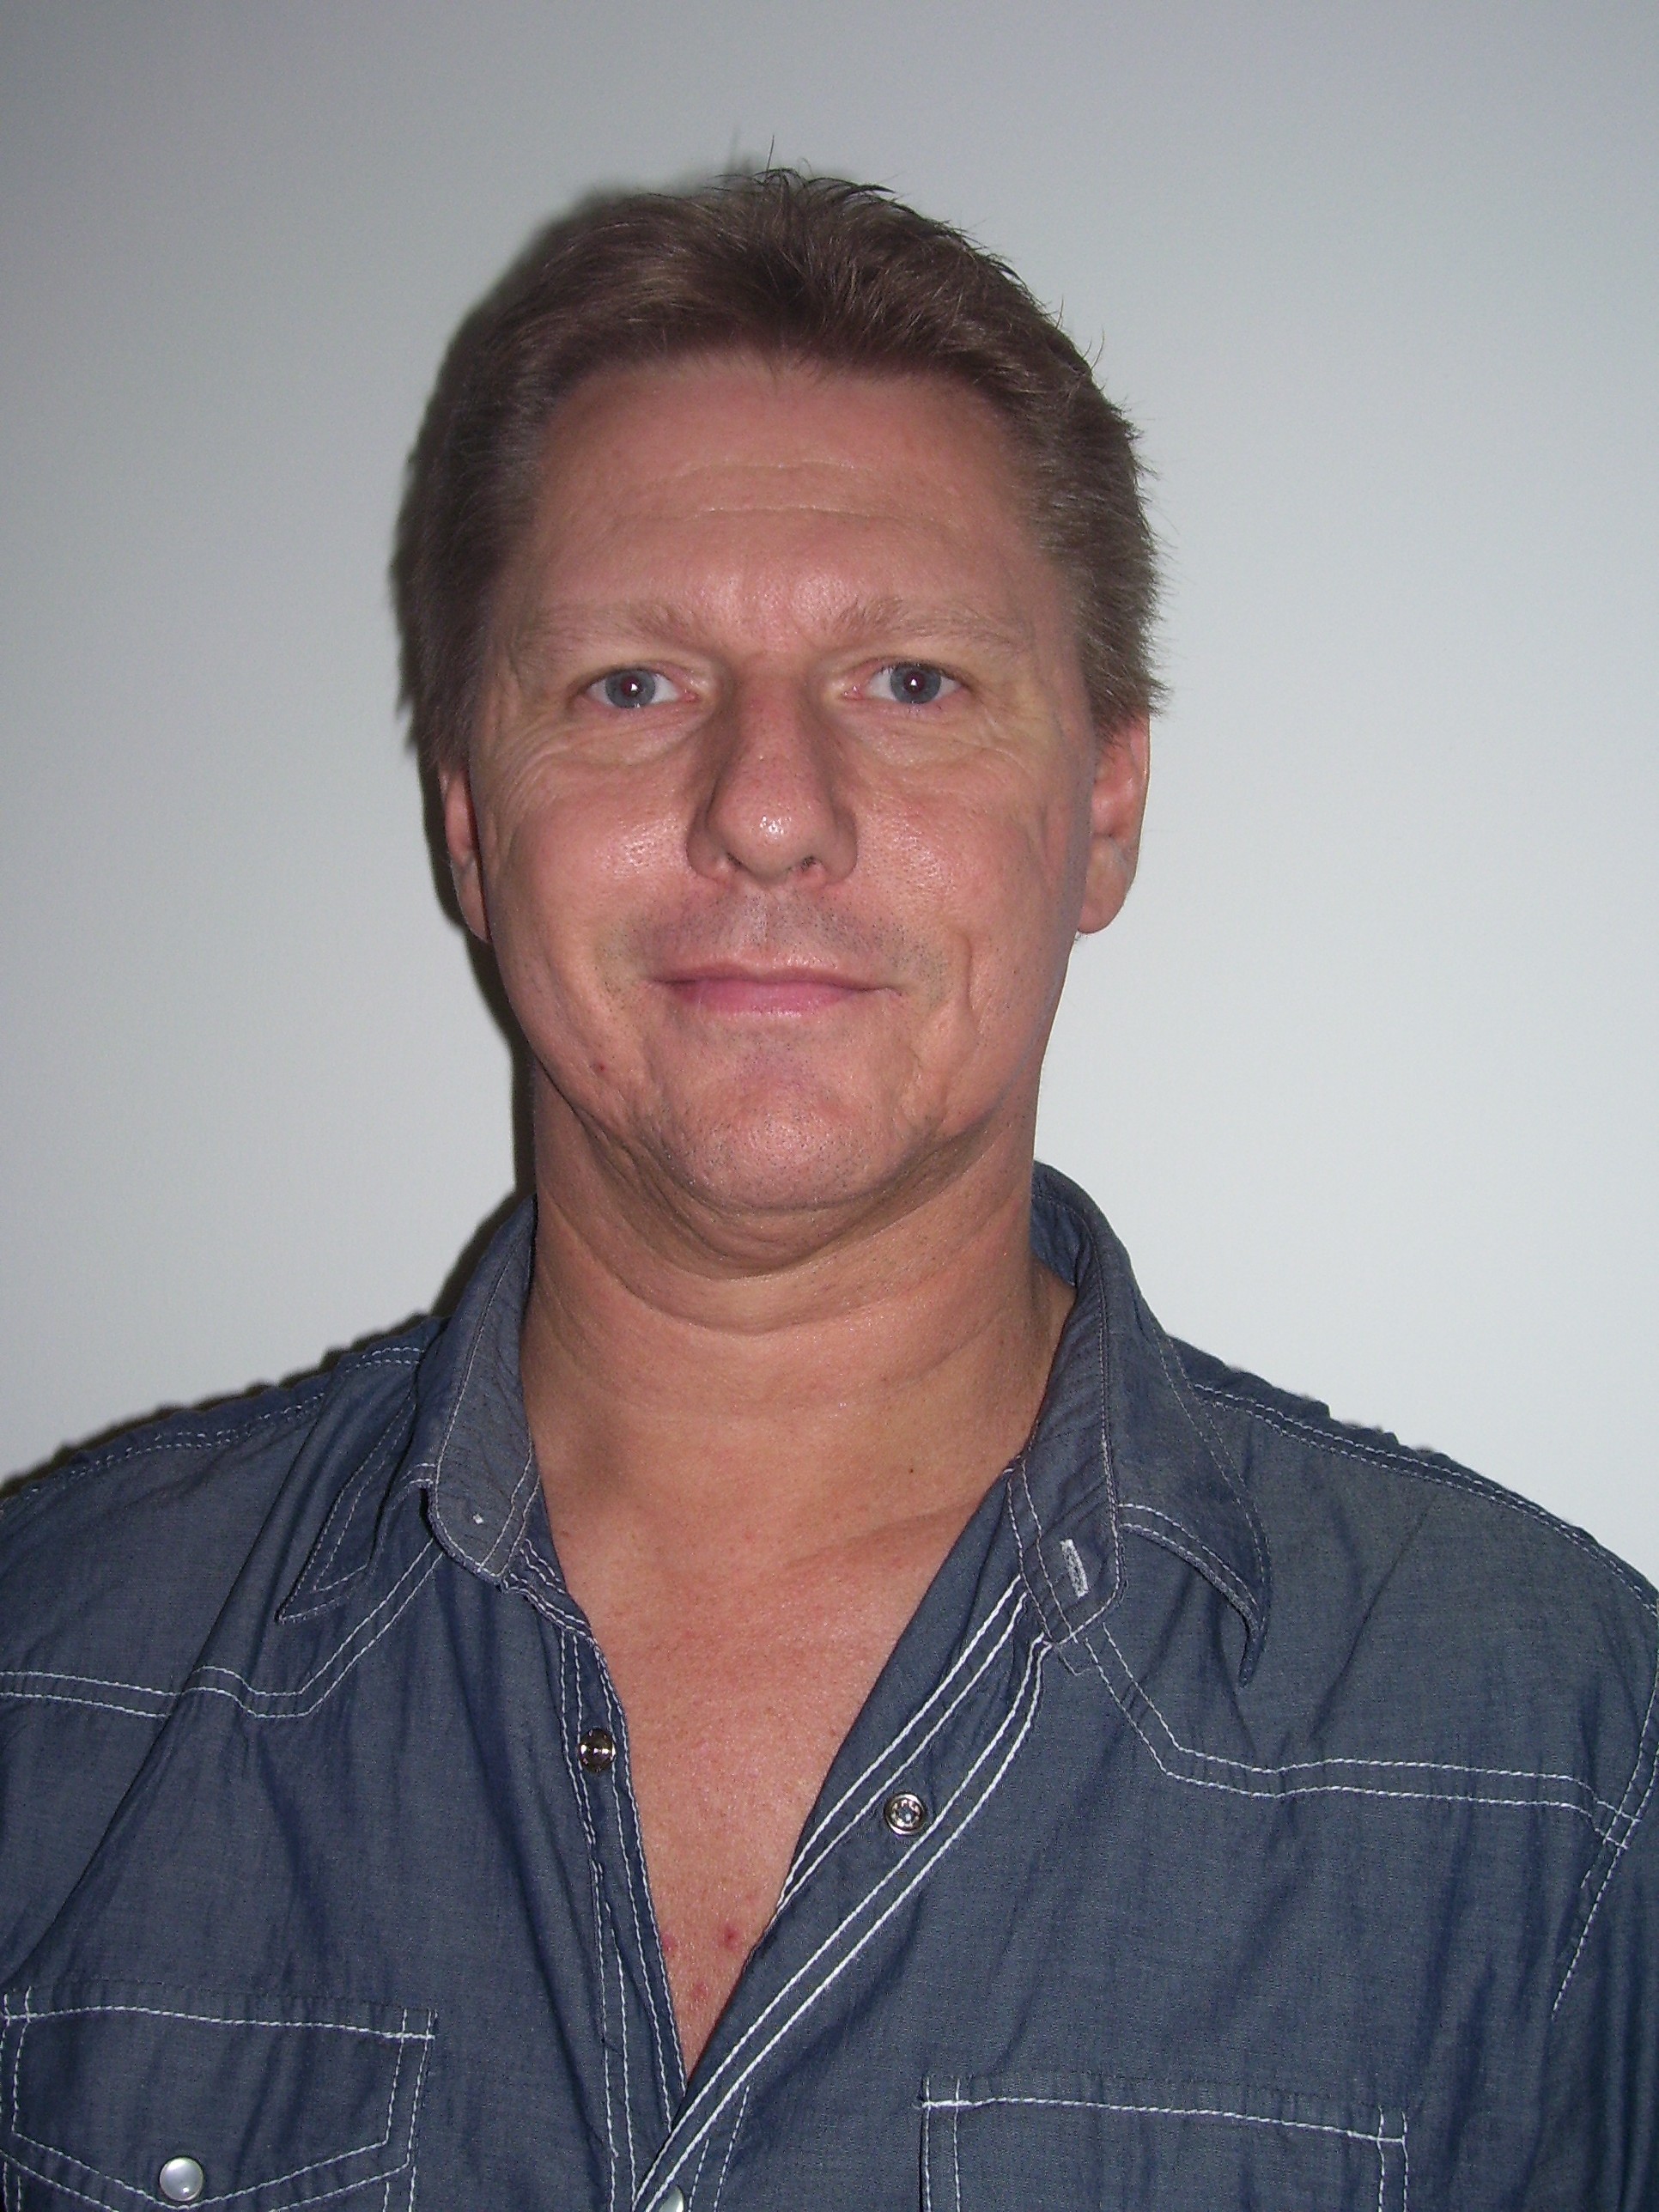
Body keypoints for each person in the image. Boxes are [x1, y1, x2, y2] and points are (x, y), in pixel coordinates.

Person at [1, 171, 1653, 2212]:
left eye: (913, 682)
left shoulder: (1560, 1764)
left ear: (1105, 807)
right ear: (472, 825)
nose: (770, 810)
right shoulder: (48, 1674)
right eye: (631, 684)